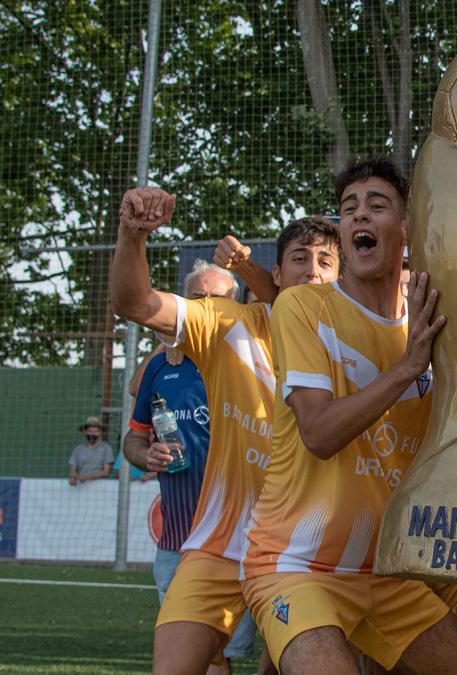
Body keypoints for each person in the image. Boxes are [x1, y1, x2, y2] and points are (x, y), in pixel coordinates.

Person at [239, 157, 457, 674]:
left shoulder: (432, 313)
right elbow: (318, 432)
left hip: (384, 573)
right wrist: (406, 369)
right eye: (349, 209)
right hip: (295, 565)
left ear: (408, 229)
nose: (359, 218)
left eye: (377, 206)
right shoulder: (304, 307)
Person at [111, 195, 341, 673]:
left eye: (325, 262)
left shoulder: (357, 342)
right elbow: (135, 302)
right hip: (219, 542)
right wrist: (133, 235)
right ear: (276, 275)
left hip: (301, 552)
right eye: (299, 259)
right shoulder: (228, 326)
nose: (313, 272)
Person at [123, 259, 264, 671]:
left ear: (236, 305)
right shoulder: (159, 366)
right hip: (179, 537)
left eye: (217, 299)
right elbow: (133, 438)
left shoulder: (256, 362)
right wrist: (144, 454)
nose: (207, 307)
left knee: (281, 649)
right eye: (198, 298)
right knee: (204, 655)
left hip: (250, 536)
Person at [68, 416, 114, 486]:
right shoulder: (78, 449)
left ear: (100, 432)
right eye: (90, 431)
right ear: (85, 432)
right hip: (81, 485)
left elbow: (106, 472)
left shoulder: (106, 448)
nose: (93, 434)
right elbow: (73, 469)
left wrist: (87, 477)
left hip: (101, 485)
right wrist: (73, 477)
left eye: (96, 431)